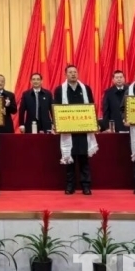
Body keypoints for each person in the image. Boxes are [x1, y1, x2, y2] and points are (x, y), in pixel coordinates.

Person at [54, 65, 98, 195]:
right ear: (65, 74)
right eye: (70, 72)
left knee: (84, 158)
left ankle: (86, 186)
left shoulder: (86, 89)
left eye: (75, 72)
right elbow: (56, 108)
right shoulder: (59, 90)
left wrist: (94, 123)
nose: (73, 74)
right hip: (68, 129)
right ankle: (70, 186)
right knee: (70, 158)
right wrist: (57, 125)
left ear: (78, 74)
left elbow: (91, 107)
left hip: (83, 129)